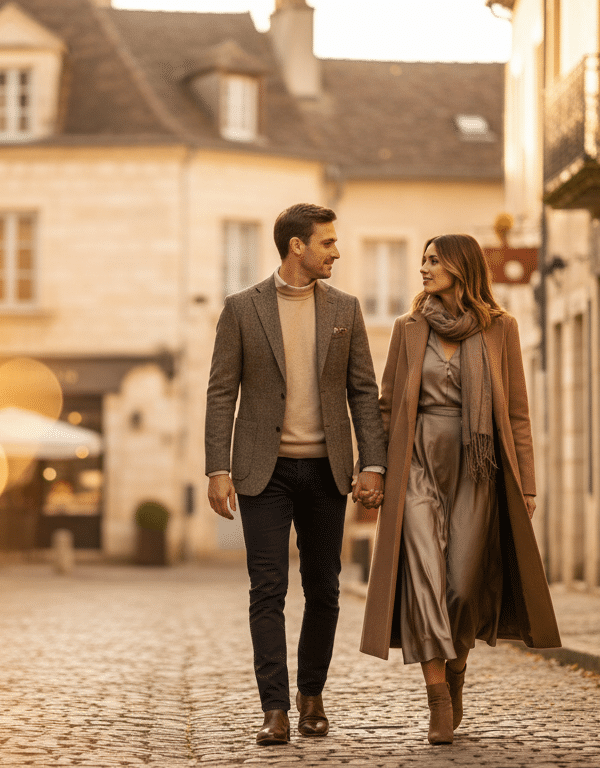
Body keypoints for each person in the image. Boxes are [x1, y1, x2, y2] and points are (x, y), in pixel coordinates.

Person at [358, 234, 561, 745]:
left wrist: (527, 484)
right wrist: (377, 468)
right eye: (422, 260)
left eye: (433, 260)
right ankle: (438, 702)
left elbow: (516, 411)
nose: (423, 268)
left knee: (464, 585)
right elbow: (386, 407)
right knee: (425, 579)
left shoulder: (500, 329)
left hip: (480, 468)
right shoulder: (407, 330)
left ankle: (456, 670)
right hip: (418, 465)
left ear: (460, 266)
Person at [205, 203, 388, 746]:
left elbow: (362, 392)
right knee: (268, 589)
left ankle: (312, 697)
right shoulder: (242, 309)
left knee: (325, 589)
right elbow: (221, 391)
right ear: (296, 247)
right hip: (264, 472)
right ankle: (276, 710)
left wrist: (372, 464)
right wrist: (218, 468)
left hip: (328, 469)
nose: (336, 251)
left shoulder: (346, 309)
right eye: (327, 242)